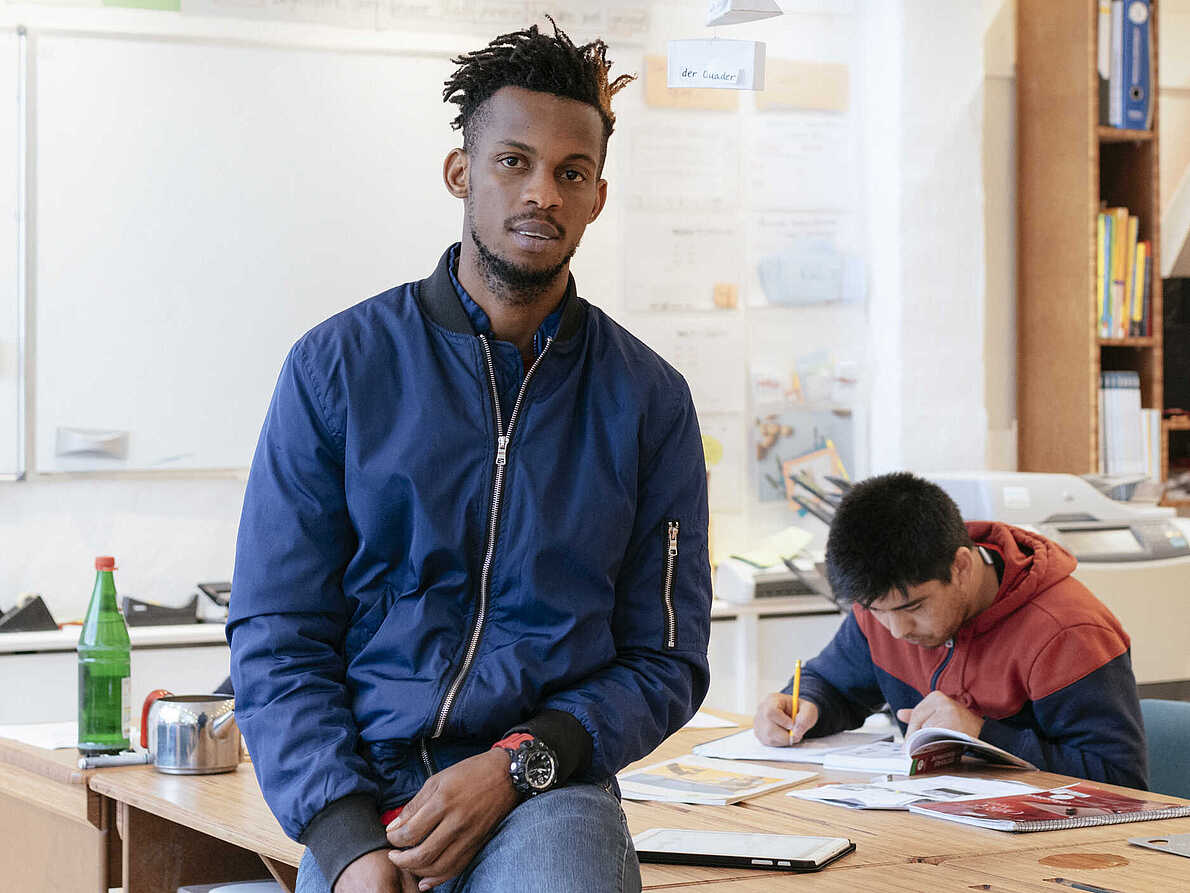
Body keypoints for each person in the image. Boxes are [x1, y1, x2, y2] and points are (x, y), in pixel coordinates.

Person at [227, 20, 712, 893]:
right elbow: (278, 632)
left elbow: (666, 657)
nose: (543, 194)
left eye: (571, 173)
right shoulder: (337, 368)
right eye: (513, 162)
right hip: (364, 786)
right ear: (461, 172)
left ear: (598, 196)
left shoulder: (650, 400)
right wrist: (345, 842)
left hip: (546, 790)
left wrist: (516, 763)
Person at [753, 471, 1148, 790]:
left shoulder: (1066, 630)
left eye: (913, 607)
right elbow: (832, 684)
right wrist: (801, 705)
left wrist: (981, 735)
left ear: (960, 567)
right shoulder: (883, 604)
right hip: (931, 832)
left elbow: (1121, 781)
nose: (896, 630)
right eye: (876, 611)